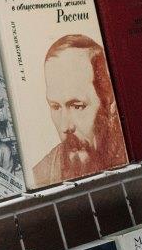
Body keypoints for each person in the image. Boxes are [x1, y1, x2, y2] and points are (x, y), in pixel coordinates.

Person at [33, 35, 127, 185]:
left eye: (77, 106)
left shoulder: (133, 152)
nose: (65, 126)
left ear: (109, 102)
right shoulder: (41, 175)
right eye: (55, 107)